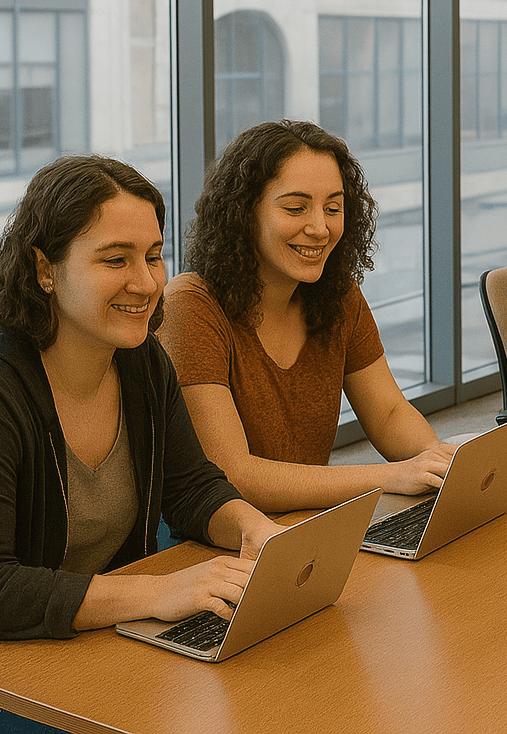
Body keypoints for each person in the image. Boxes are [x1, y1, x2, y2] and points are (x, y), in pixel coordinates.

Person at [0, 156, 283, 642]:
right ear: (45, 270)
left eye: (154, 256)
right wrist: (158, 593)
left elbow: (190, 489)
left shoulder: (140, 360)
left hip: (102, 641)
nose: (145, 283)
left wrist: (256, 529)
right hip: (6, 671)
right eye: (115, 259)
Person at [157, 121, 453, 513]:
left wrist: (439, 464)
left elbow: (388, 413)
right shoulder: (191, 305)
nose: (320, 228)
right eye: (296, 208)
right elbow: (233, 475)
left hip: (303, 525)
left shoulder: (338, 294)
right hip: (208, 544)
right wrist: (390, 476)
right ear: (244, 213)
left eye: (333, 208)